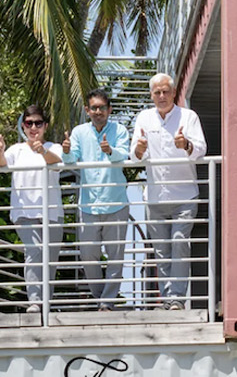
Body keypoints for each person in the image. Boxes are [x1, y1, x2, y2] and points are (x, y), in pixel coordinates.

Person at [130, 73, 208, 309]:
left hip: (184, 195)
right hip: (155, 197)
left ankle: (177, 297)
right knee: (162, 249)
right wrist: (140, 149)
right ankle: (167, 298)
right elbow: (133, 158)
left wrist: (186, 145)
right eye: (157, 92)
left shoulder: (188, 116)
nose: (161, 96)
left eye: (166, 91)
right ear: (151, 95)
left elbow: (201, 150)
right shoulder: (143, 118)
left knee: (179, 243)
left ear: (174, 93)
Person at [62, 89, 133, 310]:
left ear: (109, 109)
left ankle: (107, 302)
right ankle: (99, 296)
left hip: (116, 201)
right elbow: (71, 160)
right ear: (87, 110)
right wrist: (65, 151)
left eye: (102, 107)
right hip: (88, 205)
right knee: (88, 255)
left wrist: (110, 151)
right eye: (94, 108)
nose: (98, 112)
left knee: (115, 256)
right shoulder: (79, 132)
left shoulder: (119, 130)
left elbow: (124, 155)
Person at [0, 103, 63, 311]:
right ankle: (35, 300)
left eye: (38, 123)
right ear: (23, 126)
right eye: (29, 123)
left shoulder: (54, 147)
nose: (33, 128)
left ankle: (46, 302)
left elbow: (57, 162)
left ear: (45, 125)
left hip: (51, 212)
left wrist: (42, 151)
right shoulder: (17, 149)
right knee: (33, 252)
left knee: (49, 258)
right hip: (24, 212)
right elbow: (1, 164)